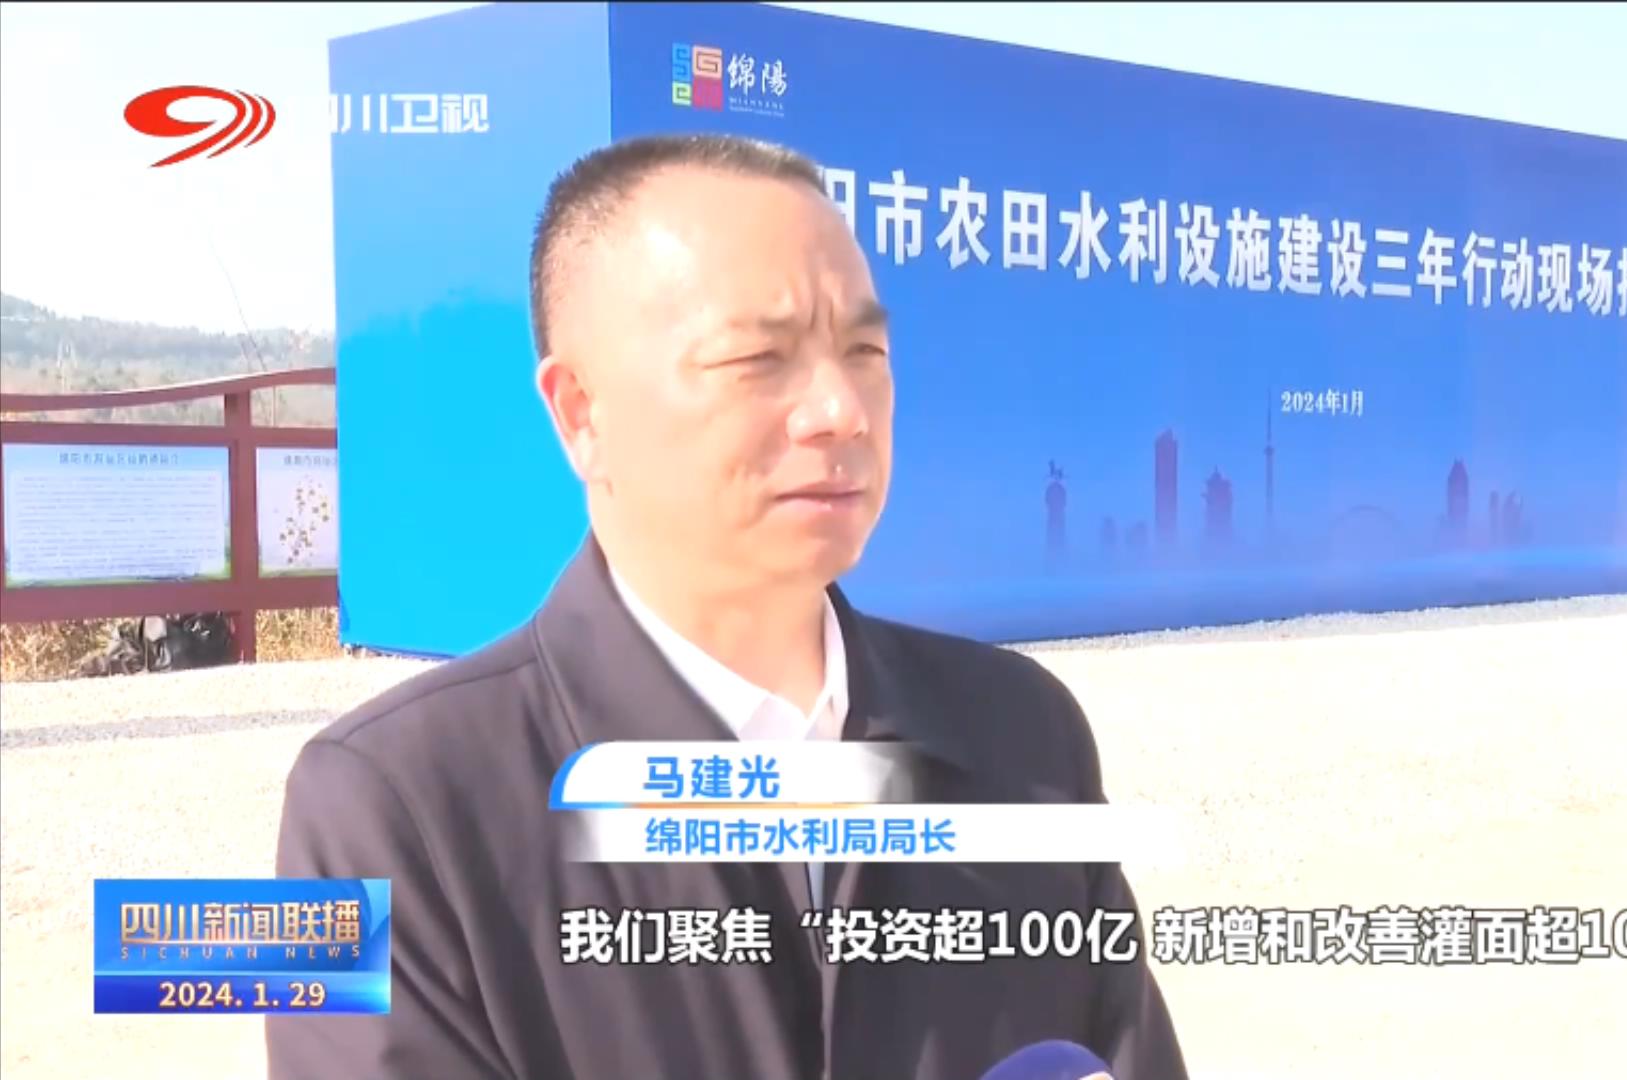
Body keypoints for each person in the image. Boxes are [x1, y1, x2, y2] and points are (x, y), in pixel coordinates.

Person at [266, 133, 1187, 1080]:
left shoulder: (1023, 737)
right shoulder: (378, 808)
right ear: (581, 412)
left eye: (865, 350)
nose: (841, 409)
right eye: (758, 357)